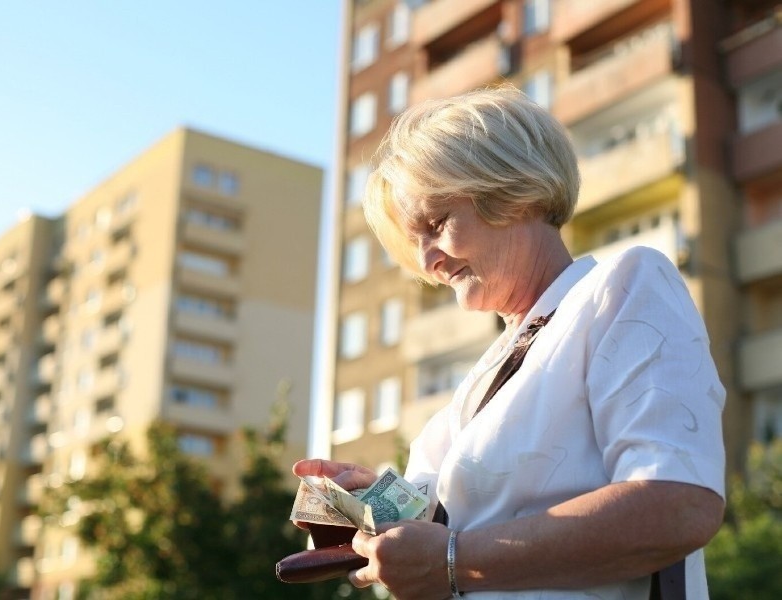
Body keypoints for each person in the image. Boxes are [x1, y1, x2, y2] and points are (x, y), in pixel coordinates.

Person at [293, 85, 725, 599]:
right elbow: (451, 532)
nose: (428, 261)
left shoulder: (624, 287)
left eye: (436, 224)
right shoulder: (465, 399)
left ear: (513, 190)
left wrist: (452, 560)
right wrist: (375, 507)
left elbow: (677, 504)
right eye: (416, 243)